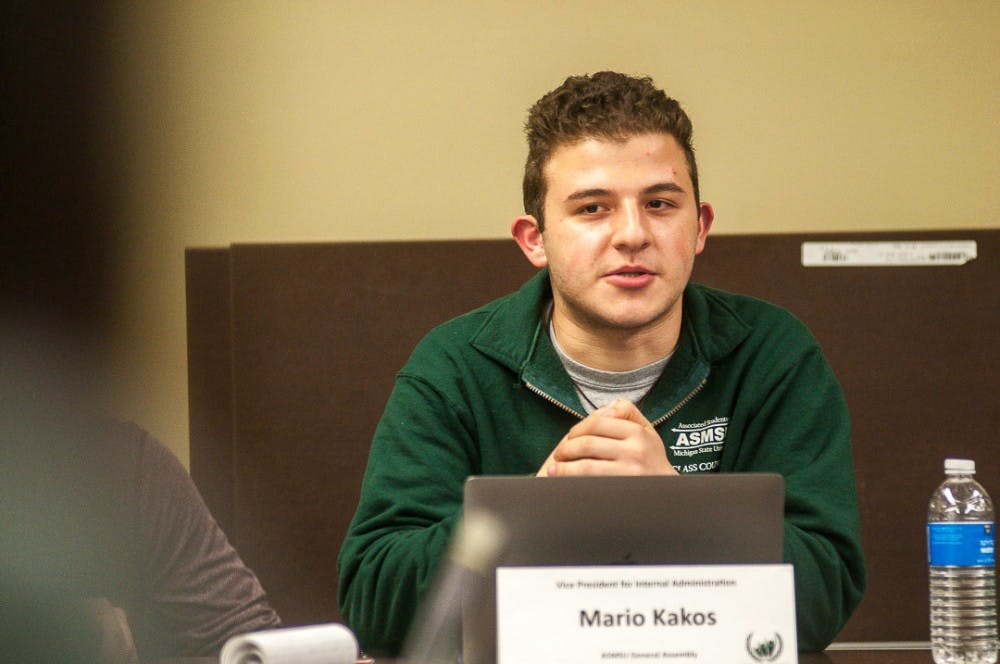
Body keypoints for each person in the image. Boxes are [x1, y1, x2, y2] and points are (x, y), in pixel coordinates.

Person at [337, 71, 866, 655]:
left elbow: (827, 591)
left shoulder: (772, 353)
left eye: (660, 204)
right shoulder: (455, 366)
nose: (632, 234)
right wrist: (533, 511)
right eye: (592, 208)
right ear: (534, 239)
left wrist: (676, 508)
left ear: (700, 227)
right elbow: (374, 599)